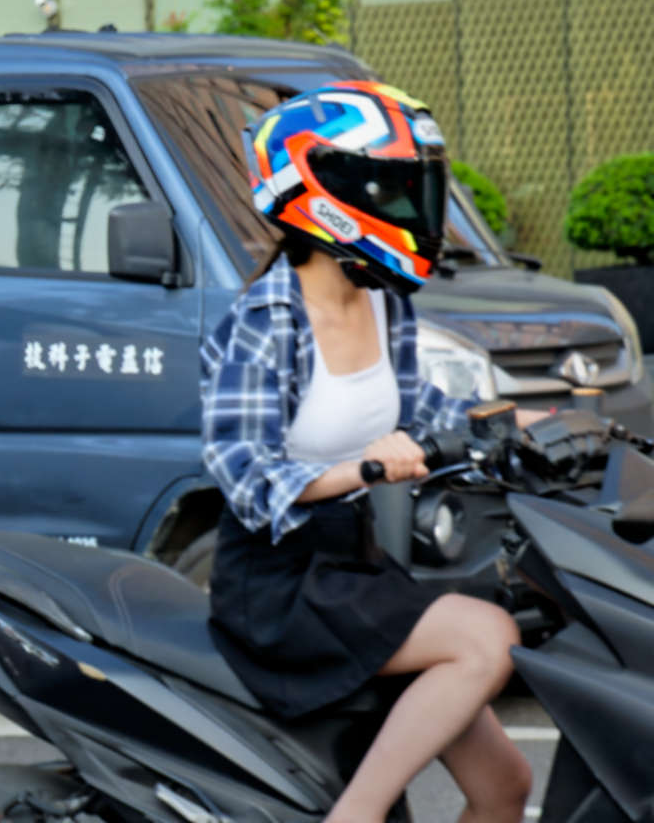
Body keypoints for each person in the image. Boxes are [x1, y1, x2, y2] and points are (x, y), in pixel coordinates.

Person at [203, 83, 533, 823]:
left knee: (504, 787)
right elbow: (242, 475)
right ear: (323, 195)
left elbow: (417, 412)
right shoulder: (265, 319)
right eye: (393, 188)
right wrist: (365, 469)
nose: (412, 206)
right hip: (281, 585)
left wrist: (524, 426)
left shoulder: (384, 300)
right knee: (487, 639)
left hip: (362, 566)